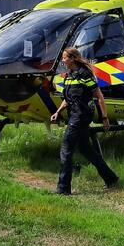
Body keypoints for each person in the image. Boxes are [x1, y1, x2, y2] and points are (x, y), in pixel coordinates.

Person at [49, 47, 119, 195]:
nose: (62, 60)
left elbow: (99, 96)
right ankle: (111, 178)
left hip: (81, 116)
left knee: (66, 149)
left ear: (73, 59)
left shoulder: (85, 74)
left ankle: (63, 189)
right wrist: (57, 112)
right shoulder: (68, 76)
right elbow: (68, 99)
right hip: (75, 114)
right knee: (86, 149)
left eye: (64, 58)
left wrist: (105, 117)